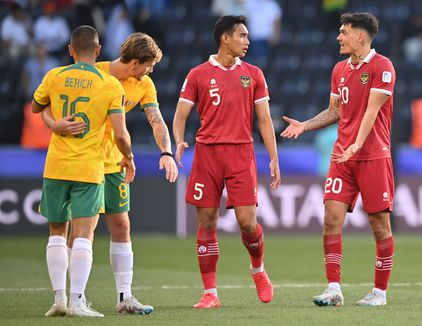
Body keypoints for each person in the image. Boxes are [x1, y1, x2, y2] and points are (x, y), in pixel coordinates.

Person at [42, 32, 178, 315]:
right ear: (135, 63)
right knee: (83, 231)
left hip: (115, 164)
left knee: (122, 226)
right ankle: (72, 298)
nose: (151, 71)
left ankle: (124, 297)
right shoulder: (97, 75)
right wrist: (55, 124)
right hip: (87, 163)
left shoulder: (144, 85)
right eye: (149, 65)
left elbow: (156, 120)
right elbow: (46, 105)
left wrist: (166, 153)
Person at [281, 12, 396, 307]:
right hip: (342, 156)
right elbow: (335, 111)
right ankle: (333, 288)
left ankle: (379, 293)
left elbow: (371, 111)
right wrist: (304, 125)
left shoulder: (383, 67)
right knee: (331, 219)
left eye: (344, 32)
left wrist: (357, 144)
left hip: (372, 155)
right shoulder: (339, 69)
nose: (338, 37)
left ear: (361, 36)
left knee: (379, 224)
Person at [173, 15, 281, 309]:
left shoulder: (254, 74)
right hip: (207, 153)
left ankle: (258, 269)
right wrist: (179, 140)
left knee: (247, 223)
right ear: (225, 38)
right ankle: (210, 293)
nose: (247, 41)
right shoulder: (197, 74)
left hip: (241, 153)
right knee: (206, 221)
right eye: (242, 36)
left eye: (247, 36)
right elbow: (181, 114)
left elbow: (264, 120)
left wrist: (273, 157)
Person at [32, 25, 135, 317]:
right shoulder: (109, 85)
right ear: (99, 51)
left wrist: (55, 125)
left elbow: (36, 106)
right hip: (88, 169)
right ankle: (77, 301)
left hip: (55, 165)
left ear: (70, 50)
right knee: (82, 236)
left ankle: (59, 300)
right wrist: (128, 157)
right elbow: (121, 135)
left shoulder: (55, 76)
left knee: (56, 233)